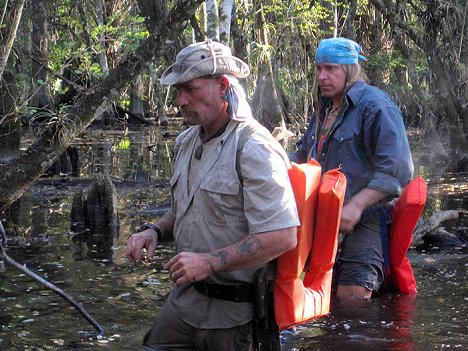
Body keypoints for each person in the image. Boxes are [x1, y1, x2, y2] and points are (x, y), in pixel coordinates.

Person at [126, 39, 300, 350]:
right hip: (184, 303)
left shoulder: (254, 148)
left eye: (189, 89)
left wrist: (209, 262)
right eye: (177, 90)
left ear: (222, 86)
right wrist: (154, 231)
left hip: (236, 313)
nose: (179, 100)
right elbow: (185, 210)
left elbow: (283, 236)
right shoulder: (186, 141)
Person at [289, 37, 414, 304]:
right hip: (324, 218)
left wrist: (356, 205)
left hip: (366, 219)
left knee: (353, 301)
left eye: (331, 68)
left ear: (350, 69)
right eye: (319, 68)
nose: (322, 76)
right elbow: (303, 154)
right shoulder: (325, 107)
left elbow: (399, 169)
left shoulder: (375, 105)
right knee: (322, 297)